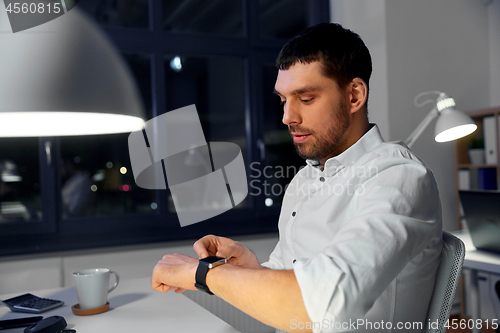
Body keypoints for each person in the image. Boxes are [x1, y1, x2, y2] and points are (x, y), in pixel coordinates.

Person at [151, 23, 442, 333]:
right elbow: (291, 274)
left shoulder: (400, 179)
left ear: (355, 95)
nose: (288, 117)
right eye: (283, 100)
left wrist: (202, 274)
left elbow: (324, 305)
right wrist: (249, 265)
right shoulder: (304, 181)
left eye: (305, 98)